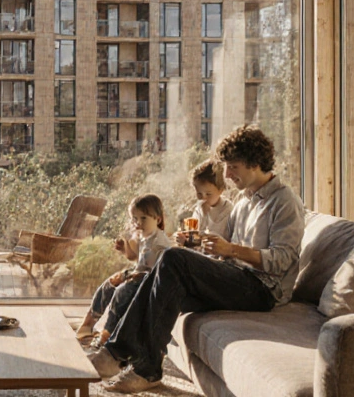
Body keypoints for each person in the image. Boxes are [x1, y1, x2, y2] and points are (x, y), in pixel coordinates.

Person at [90, 125, 305, 393]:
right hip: (236, 277)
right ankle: (145, 368)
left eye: (233, 167)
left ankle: (115, 355)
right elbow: (224, 251)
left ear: (255, 163)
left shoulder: (284, 201)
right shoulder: (243, 202)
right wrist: (209, 247)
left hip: (263, 290)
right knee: (157, 284)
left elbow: (283, 259)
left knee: (172, 258)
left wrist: (230, 250)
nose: (226, 175)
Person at [76, 194, 173, 346]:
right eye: (135, 218)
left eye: (143, 218)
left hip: (150, 281)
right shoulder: (144, 236)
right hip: (139, 274)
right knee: (109, 284)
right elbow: (136, 259)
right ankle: (88, 323)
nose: (138, 223)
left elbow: (157, 270)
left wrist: (130, 276)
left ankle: (107, 334)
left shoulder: (159, 243)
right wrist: (124, 249)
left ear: (158, 219)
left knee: (122, 291)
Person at [177, 158, 233, 248]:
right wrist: (185, 240)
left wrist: (205, 216)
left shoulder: (227, 211)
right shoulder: (199, 209)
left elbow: (215, 238)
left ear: (221, 190)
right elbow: (195, 240)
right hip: (201, 254)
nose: (203, 198)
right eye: (199, 193)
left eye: (208, 194)